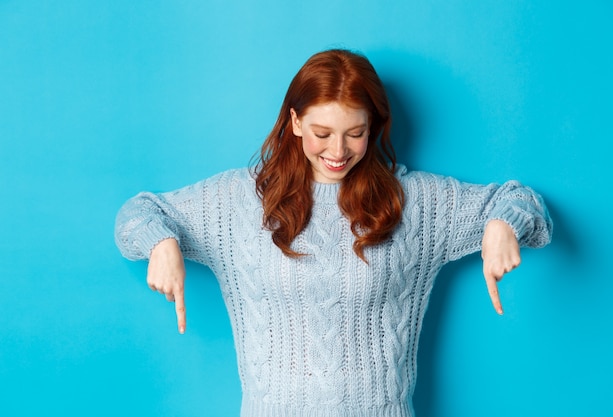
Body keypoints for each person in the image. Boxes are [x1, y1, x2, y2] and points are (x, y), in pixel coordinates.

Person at [115, 49, 552, 417]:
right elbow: (137, 214)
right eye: (323, 133)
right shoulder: (239, 200)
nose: (338, 151)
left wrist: (501, 225)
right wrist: (162, 241)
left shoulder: (414, 201)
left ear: (373, 128)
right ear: (296, 122)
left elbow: (522, 201)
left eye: (355, 134)